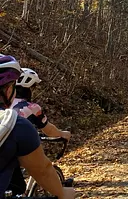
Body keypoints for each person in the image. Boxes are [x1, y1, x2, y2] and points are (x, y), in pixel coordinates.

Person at [0, 55, 75, 199]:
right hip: (23, 146)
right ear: (8, 90)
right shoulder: (24, 115)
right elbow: (43, 170)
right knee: (18, 187)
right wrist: (63, 134)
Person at [12, 67, 71, 140]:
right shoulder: (32, 107)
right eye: (33, 88)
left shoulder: (4, 103)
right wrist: (63, 134)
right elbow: (49, 131)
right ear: (29, 89)